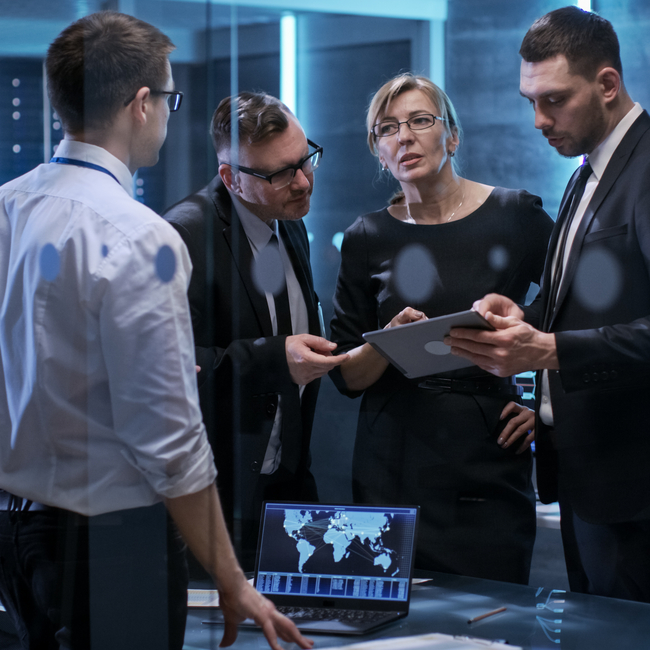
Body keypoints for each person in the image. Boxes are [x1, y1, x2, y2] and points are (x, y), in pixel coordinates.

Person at [0, 12, 313, 650]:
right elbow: (171, 437)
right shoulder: (141, 235)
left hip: (13, 532)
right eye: (169, 98)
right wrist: (233, 579)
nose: (170, 114)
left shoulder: (9, 205)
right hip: (108, 543)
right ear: (142, 104)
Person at [447, 6, 650, 603]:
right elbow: (589, 305)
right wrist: (524, 318)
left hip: (635, 489)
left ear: (607, 85)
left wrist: (551, 349)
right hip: (590, 481)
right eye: (529, 101)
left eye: (554, 100)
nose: (538, 120)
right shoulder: (585, 171)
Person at [329, 73, 553, 584]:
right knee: (387, 614)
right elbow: (346, 376)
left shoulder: (514, 213)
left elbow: (577, 307)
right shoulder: (366, 235)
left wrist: (543, 405)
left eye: (420, 121)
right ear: (378, 152)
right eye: (387, 128)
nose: (403, 136)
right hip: (393, 455)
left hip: (488, 451)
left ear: (451, 136)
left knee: (494, 613)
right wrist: (387, 341)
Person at [163, 92, 348, 569]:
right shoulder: (184, 235)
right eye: (281, 173)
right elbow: (171, 369)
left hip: (287, 488)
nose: (304, 182)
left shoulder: (290, 222)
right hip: (217, 499)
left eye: (306, 159)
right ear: (231, 178)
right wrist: (273, 359)